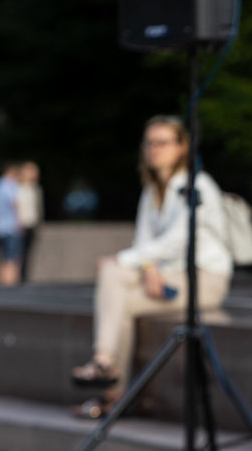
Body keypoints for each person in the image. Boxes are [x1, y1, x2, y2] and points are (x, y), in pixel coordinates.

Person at [69, 115, 234, 418]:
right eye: (149, 143)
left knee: (113, 275)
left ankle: (111, 389)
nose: (154, 149)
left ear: (181, 147)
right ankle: (108, 375)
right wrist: (148, 268)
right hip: (170, 274)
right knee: (117, 298)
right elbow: (144, 241)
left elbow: (180, 237)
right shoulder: (151, 190)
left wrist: (125, 260)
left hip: (204, 280)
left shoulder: (198, 185)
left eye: (162, 143)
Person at [0, 161, 23, 286]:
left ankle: (2, 285)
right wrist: (19, 222)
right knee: (12, 259)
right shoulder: (10, 186)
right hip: (10, 227)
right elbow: (15, 204)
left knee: (3, 258)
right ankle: (10, 285)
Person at [16, 160, 44, 284]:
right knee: (16, 254)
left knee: (27, 254)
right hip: (18, 226)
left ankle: (24, 279)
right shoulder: (16, 188)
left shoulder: (36, 189)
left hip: (32, 225)